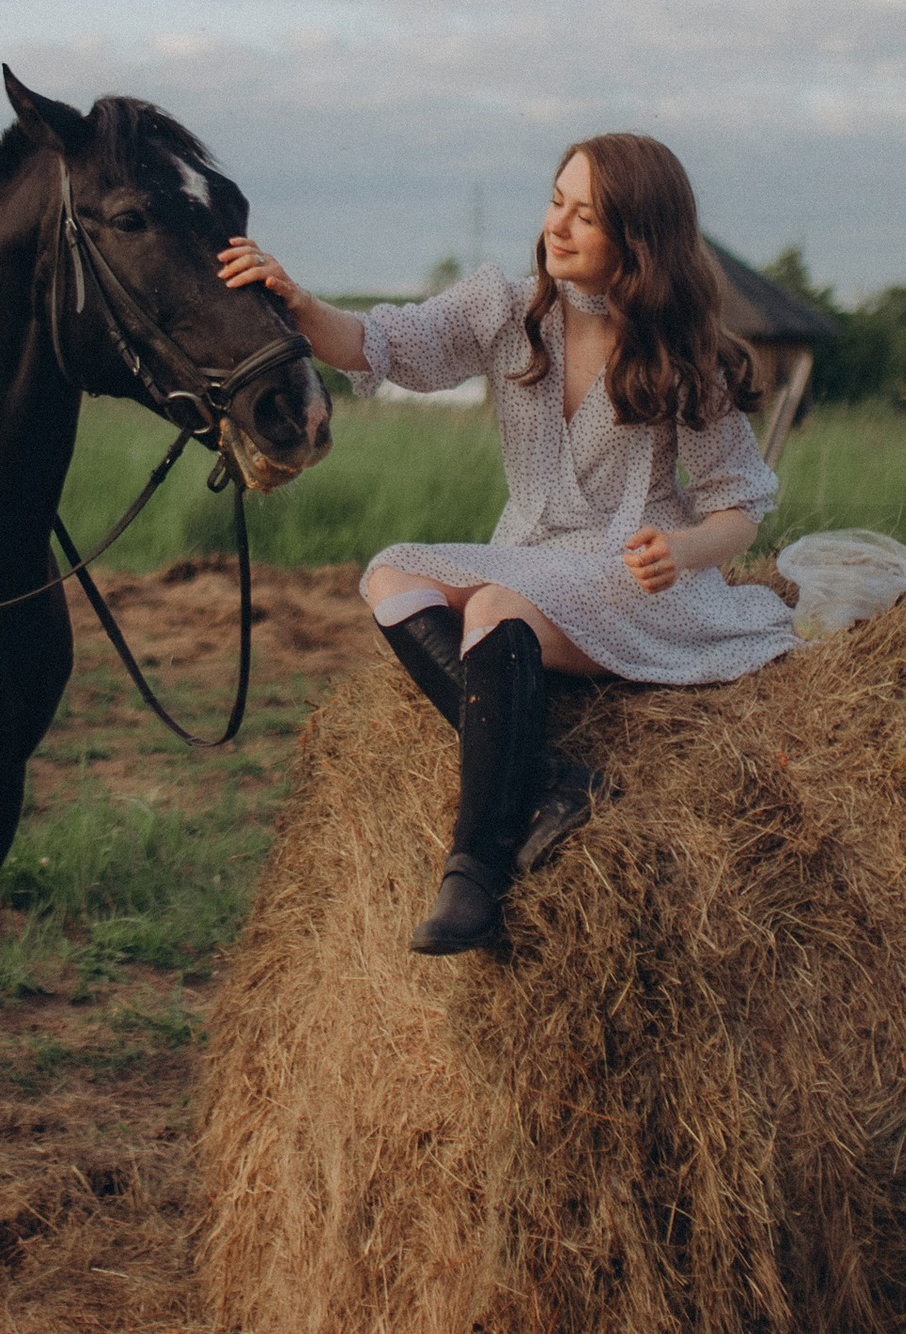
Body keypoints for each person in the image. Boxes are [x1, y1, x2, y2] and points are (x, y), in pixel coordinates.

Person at [218, 133, 793, 961]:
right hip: (532, 556)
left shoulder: (682, 356)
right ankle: (552, 784)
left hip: (635, 586)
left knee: (492, 606)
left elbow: (741, 504)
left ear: (638, 240)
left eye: (585, 215)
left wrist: (688, 550)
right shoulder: (507, 309)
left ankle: (475, 872)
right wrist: (300, 305)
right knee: (388, 575)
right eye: (557, 200)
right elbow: (388, 345)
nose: (556, 226)